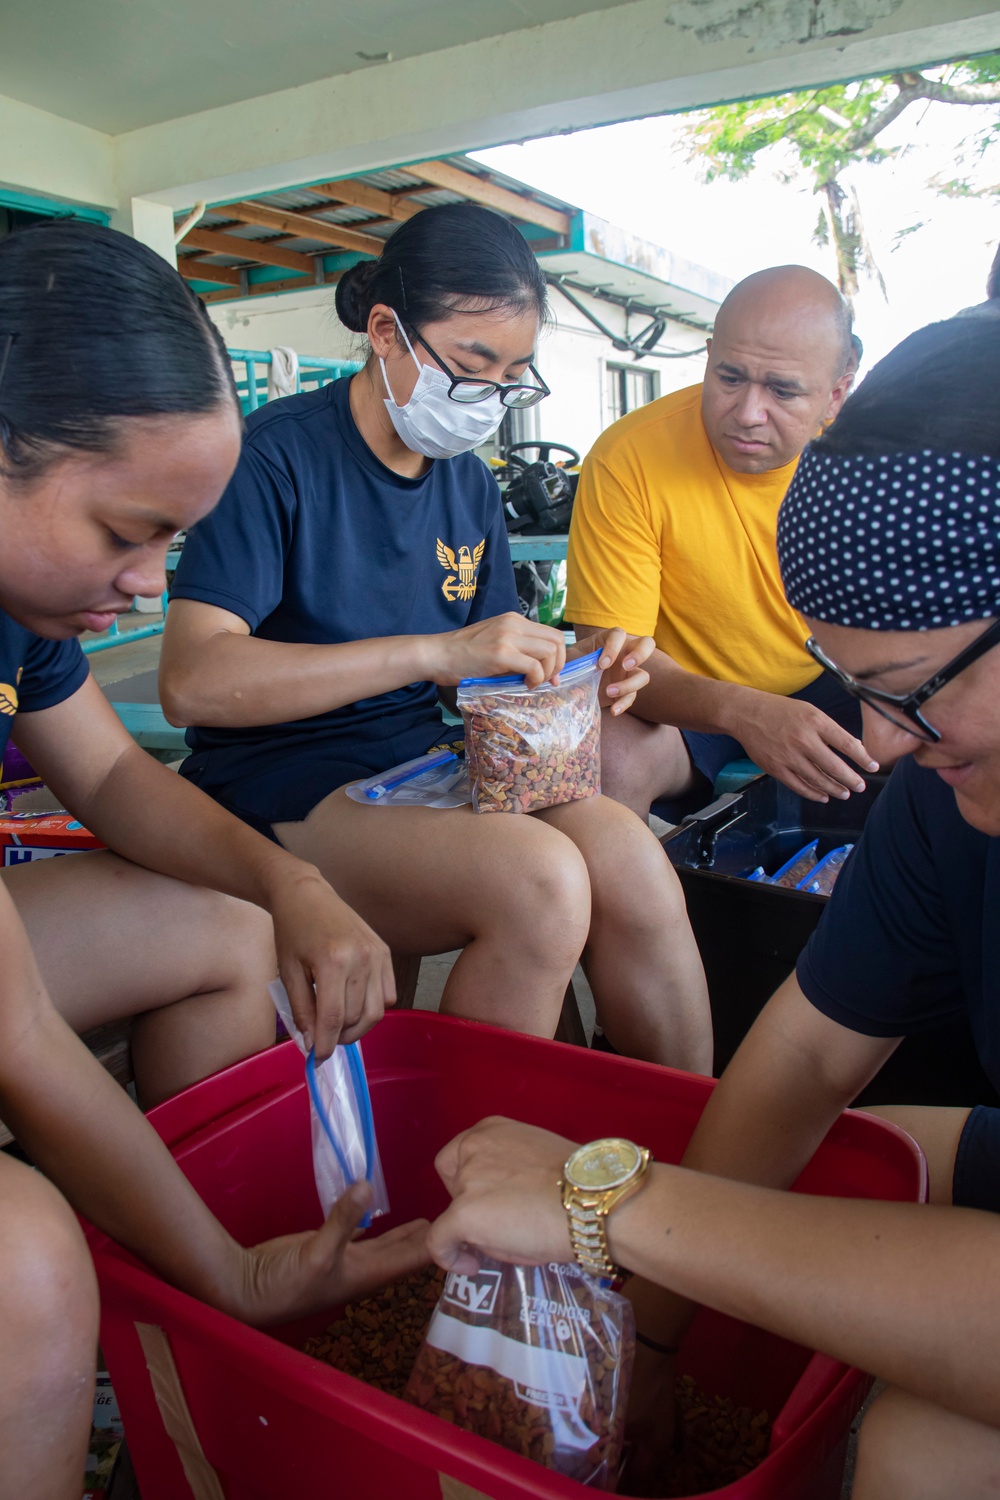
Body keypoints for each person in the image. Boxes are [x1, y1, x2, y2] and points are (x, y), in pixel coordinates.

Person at [426, 315, 1000, 1499]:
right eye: (855, 693)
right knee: (874, 1165)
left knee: (918, 1448)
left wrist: (617, 1210)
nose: (881, 748)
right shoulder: (944, 804)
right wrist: (650, 1341)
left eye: (910, 696)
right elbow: (801, 1057)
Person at [0, 221, 429, 1500]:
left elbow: (118, 775)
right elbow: (18, 1032)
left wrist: (293, 883)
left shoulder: (25, 611)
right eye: (128, 531)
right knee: (28, 1259)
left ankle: (221, 1280)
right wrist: (220, 1277)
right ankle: (206, 1285)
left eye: (170, 546)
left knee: (232, 928)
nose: (143, 586)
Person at [160, 203, 711, 1070]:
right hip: (283, 779)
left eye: (513, 374)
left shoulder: (466, 484)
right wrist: (432, 653)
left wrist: (572, 668)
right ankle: (467, 1162)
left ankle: (691, 1144)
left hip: (422, 761)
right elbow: (192, 679)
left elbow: (476, 671)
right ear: (387, 332)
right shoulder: (274, 458)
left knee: (628, 859)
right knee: (542, 882)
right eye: (470, 365)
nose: (489, 397)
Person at [565, 265, 877, 821]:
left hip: (840, 680)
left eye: (783, 390)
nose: (748, 413)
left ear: (835, 395)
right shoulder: (630, 456)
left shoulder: (873, 457)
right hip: (685, 699)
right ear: (708, 356)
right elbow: (611, 664)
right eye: (729, 378)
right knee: (605, 756)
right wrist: (746, 712)